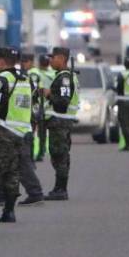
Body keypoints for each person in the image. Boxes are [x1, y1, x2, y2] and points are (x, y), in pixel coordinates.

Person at [0, 46, 33, 223]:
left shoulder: (1, 80)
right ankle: (9, 211)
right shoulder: (25, 79)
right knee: (12, 174)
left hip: (2, 131)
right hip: (21, 133)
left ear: (3, 60)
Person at [42, 48, 79, 201]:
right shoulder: (65, 76)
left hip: (60, 121)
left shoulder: (64, 78)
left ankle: (61, 189)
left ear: (62, 58)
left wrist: (49, 94)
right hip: (61, 121)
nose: (51, 61)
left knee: (59, 156)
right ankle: (59, 187)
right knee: (59, 156)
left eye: (53, 58)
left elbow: (63, 102)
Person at [17, 52, 45, 206]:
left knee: (22, 162)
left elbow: (36, 99)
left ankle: (35, 192)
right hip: (24, 125)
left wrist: (34, 120)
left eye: (25, 61)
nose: (23, 64)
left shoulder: (31, 76)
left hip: (19, 128)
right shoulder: (26, 77)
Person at [33, 53, 53, 162]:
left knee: (41, 131)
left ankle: (41, 151)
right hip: (46, 106)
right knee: (42, 131)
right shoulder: (52, 73)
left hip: (43, 105)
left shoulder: (37, 73)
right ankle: (42, 150)